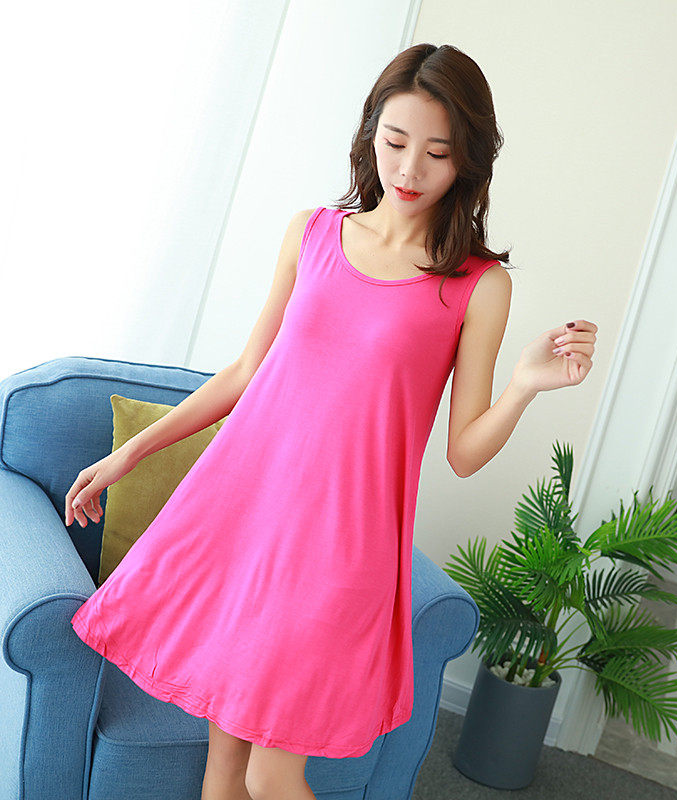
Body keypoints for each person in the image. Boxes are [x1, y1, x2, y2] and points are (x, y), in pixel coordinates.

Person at [64, 43, 597, 800]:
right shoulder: (312, 233)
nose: (409, 170)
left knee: (273, 774)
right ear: (371, 133)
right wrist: (131, 455)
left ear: (468, 160)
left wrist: (523, 386)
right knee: (224, 768)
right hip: (250, 519)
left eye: (437, 153)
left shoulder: (478, 284)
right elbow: (245, 375)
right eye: (395, 142)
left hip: (345, 548)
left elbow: (464, 452)